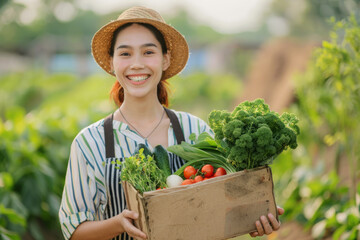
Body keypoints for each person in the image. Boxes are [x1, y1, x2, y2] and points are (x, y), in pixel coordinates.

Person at [58, 6, 283, 240]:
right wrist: (118, 224)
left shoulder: (194, 130)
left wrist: (252, 215)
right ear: (112, 62)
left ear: (165, 59)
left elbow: (221, 205)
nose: (136, 64)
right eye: (125, 54)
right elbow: (73, 231)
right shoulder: (90, 142)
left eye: (148, 52)